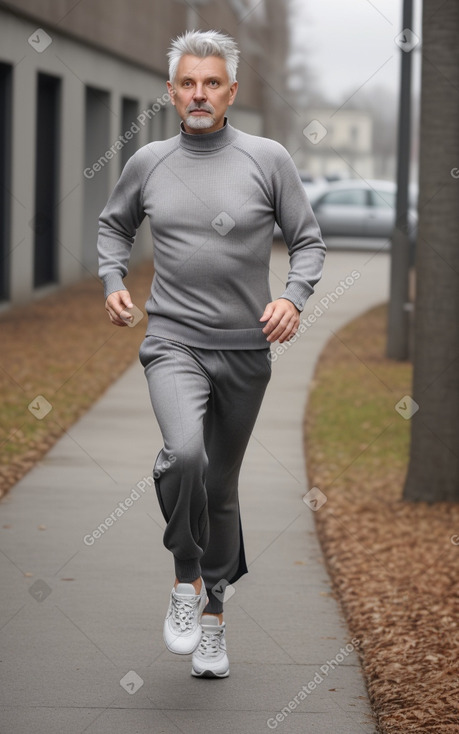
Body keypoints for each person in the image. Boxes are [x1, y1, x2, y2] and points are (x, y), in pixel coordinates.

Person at [97, 29, 325, 679]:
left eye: (211, 83)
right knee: (184, 456)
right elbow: (114, 225)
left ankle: (214, 622)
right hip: (172, 341)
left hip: (245, 350)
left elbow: (306, 241)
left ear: (230, 91)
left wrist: (293, 298)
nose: (199, 94)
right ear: (171, 92)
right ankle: (184, 579)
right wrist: (114, 283)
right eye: (187, 84)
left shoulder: (268, 158)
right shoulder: (148, 163)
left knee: (220, 489)